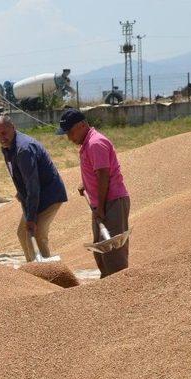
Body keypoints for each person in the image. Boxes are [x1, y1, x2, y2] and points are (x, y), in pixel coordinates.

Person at [57, 108, 130, 278]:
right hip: (102, 203)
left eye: (71, 132)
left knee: (113, 252)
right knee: (101, 250)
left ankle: (120, 288)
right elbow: (97, 171)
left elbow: (103, 175)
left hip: (111, 202)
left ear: (82, 125)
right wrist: (86, 184)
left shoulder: (95, 143)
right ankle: (107, 286)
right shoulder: (87, 144)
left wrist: (102, 207)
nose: (69, 138)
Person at [0, 115, 68, 262]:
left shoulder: (23, 149)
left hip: (48, 196)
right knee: (23, 233)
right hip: (34, 195)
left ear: (13, 127)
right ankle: (34, 270)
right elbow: (22, 176)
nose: (1, 137)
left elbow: (33, 186)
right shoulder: (8, 147)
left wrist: (31, 218)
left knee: (36, 234)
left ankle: (50, 274)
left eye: (4, 133)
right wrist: (21, 192)